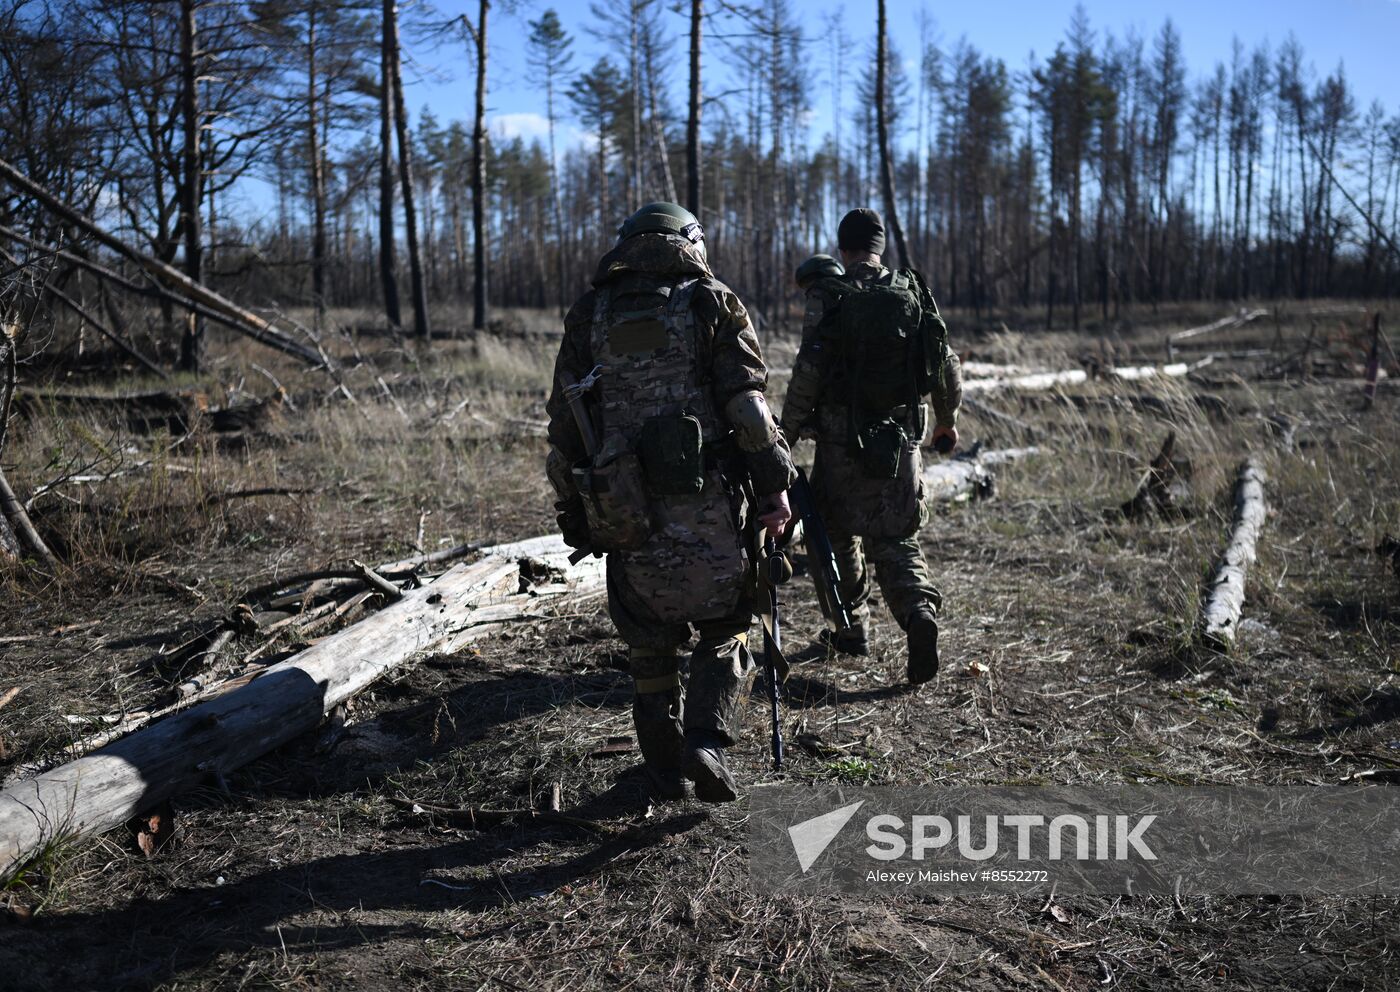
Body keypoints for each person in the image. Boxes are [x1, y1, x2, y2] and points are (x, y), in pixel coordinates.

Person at [545, 201, 795, 803]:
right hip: (707, 498)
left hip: (625, 505)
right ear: (689, 241)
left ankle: (661, 766)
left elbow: (564, 427)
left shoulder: (590, 313)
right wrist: (774, 483)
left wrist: (578, 510)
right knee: (728, 621)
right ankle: (705, 741)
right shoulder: (711, 301)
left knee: (646, 635)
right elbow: (747, 408)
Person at [780, 208, 962, 684]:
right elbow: (946, 362)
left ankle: (850, 627)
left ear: (842, 248)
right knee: (897, 540)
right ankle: (919, 613)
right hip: (901, 444)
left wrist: (788, 431)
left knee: (835, 535)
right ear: (880, 247)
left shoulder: (832, 295)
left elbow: (809, 371)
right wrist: (946, 421)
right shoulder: (911, 292)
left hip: (841, 448)